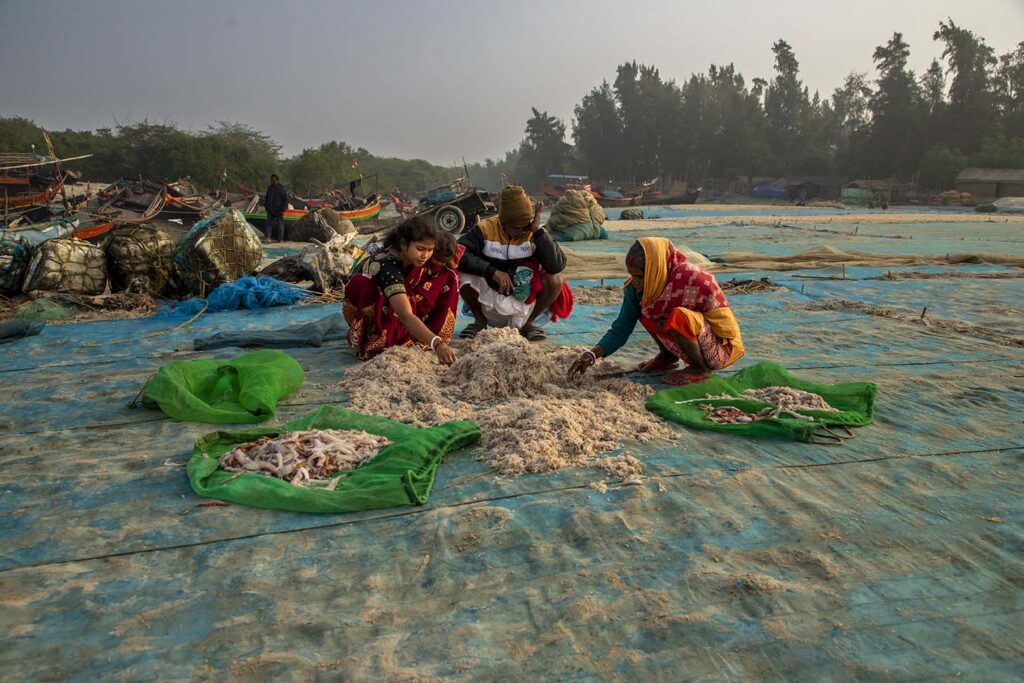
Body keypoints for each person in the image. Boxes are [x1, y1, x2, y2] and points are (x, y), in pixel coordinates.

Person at [567, 237, 744, 386]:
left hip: (716, 349)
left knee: (678, 316)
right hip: (682, 341)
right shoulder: (636, 290)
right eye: (632, 275)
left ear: (656, 269)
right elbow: (621, 328)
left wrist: (675, 320)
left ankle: (700, 369)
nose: (635, 282)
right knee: (648, 310)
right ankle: (667, 356)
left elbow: (725, 326)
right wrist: (591, 355)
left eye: (640, 276)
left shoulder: (696, 280)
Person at [457, 185, 571, 341]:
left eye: (526, 226)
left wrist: (538, 232)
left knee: (555, 280)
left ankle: (528, 324)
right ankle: (479, 321)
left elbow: (556, 265)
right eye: (517, 228)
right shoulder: (484, 229)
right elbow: (459, 254)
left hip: (523, 301)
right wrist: (492, 271)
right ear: (503, 222)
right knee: (462, 274)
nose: (522, 231)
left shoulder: (533, 232)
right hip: (489, 298)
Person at [342, 216, 457, 364]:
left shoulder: (415, 258)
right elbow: (405, 315)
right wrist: (437, 344)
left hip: (399, 300)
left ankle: (418, 334)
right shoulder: (389, 266)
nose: (425, 256)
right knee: (362, 284)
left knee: (449, 275)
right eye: (420, 249)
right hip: (376, 303)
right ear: (403, 244)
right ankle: (373, 338)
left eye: (430, 250)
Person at [263, 174, 289, 243]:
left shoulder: (281, 189)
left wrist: (284, 208)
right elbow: (266, 198)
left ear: (277, 180)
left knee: (280, 225)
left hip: (279, 210)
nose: (272, 182)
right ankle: (268, 238)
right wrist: (266, 206)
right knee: (268, 224)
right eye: (271, 180)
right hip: (270, 209)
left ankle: (280, 239)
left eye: (273, 180)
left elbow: (286, 199)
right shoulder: (270, 188)